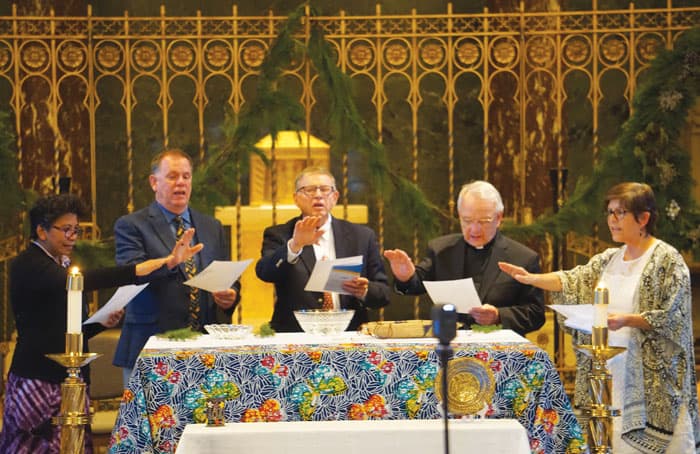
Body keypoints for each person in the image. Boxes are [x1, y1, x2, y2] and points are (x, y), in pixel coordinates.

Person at [499, 182, 699, 453]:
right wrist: (530, 278)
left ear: (643, 218)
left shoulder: (666, 260)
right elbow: (572, 280)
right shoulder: (609, 259)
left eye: (620, 213)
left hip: (651, 384)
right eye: (609, 212)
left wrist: (627, 319)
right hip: (609, 371)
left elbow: (673, 316)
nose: (612, 220)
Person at [0, 193, 202, 453]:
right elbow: (83, 282)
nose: (73, 237)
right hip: (37, 377)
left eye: (76, 230)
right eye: (66, 230)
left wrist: (100, 323)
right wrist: (152, 265)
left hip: (71, 376)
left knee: (72, 446)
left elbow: (71, 329)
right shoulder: (28, 264)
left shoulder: (63, 264)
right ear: (41, 230)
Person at [113, 149, 240, 385]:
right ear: (154, 182)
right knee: (151, 421)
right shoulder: (132, 225)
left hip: (205, 346)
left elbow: (226, 273)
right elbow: (131, 273)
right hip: (151, 344)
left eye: (186, 176)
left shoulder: (211, 226)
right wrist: (170, 263)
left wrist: (230, 294)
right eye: (172, 176)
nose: (180, 182)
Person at [384, 180, 545, 335]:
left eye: (484, 221)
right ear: (459, 215)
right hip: (451, 346)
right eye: (467, 221)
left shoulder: (523, 258)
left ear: (499, 218)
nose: (474, 229)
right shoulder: (441, 250)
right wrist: (405, 277)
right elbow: (416, 283)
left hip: (501, 352)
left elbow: (536, 314)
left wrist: (498, 316)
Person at [255, 166, 390, 332]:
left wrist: (364, 291)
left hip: (350, 335)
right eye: (309, 190)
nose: (318, 195)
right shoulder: (280, 234)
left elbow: (383, 295)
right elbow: (265, 273)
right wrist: (295, 245)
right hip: (296, 335)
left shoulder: (361, 236)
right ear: (296, 198)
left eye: (325, 190)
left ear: (335, 197)